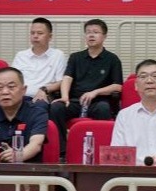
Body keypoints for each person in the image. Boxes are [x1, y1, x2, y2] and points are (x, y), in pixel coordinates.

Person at [49, 18, 123, 156]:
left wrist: (95, 92)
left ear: (104, 36)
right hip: (75, 101)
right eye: (88, 32)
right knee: (56, 108)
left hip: (98, 101)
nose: (91, 35)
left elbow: (118, 86)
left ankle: (101, 151)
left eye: (95, 32)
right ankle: (62, 151)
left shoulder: (112, 59)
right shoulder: (75, 57)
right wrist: (65, 97)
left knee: (103, 108)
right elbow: (67, 78)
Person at [0, 17, 66, 115]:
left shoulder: (58, 55)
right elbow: (11, 78)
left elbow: (61, 82)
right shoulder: (21, 55)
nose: (35, 36)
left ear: (50, 37)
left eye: (40, 33)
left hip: (39, 97)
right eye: (32, 33)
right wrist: (0, 89)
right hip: (16, 96)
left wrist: (44, 90)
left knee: (39, 106)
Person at [0, 67, 47, 163]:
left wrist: (18, 155)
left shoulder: (37, 113)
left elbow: (36, 145)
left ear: (23, 90)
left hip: (27, 170)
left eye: (11, 87)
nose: (5, 92)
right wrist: (0, 156)